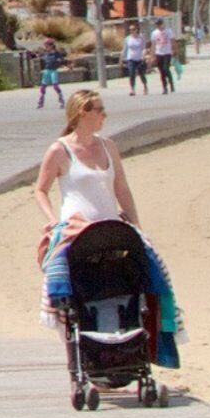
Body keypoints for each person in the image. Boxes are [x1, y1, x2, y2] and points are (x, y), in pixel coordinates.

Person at [29, 89, 138, 298]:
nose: (104, 115)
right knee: (58, 276)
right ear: (82, 112)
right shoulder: (59, 150)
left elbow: (121, 188)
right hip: (75, 229)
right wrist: (52, 220)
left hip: (110, 227)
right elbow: (41, 190)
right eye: (99, 110)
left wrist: (136, 223)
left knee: (150, 265)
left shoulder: (109, 146)